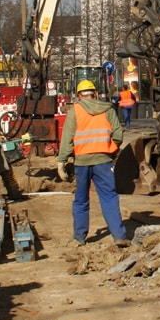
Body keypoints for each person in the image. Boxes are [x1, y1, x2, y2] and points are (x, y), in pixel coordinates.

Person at [57, 80, 129, 247]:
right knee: (109, 197)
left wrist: (61, 161)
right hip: (103, 161)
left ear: (79, 96)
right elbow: (118, 134)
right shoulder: (107, 109)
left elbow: (67, 138)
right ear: (95, 94)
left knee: (81, 199)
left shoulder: (75, 111)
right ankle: (119, 236)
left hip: (82, 162)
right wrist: (111, 150)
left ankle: (79, 238)